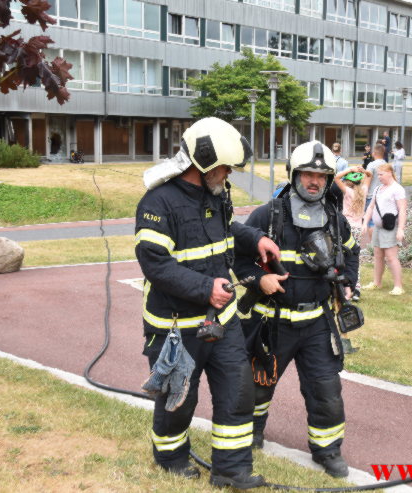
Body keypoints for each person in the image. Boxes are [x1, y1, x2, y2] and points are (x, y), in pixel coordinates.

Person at [135, 117, 280, 489]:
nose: (228, 173)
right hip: (175, 327)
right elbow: (155, 264)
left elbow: (226, 229)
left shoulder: (215, 194)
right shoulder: (158, 202)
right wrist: (204, 288)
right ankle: (170, 456)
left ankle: (231, 470)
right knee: (178, 399)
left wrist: (256, 240)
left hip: (224, 320)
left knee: (238, 391)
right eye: (225, 167)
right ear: (202, 164)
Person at [234, 141, 360, 478]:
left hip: (317, 322)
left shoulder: (335, 220)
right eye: (308, 173)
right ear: (294, 175)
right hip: (272, 323)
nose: (314, 181)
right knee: (258, 384)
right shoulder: (269, 215)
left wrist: (348, 279)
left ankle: (328, 450)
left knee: (326, 391)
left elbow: (352, 251)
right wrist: (259, 280)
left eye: (321, 175)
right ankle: (250, 434)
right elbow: (237, 256)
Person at [362, 163, 407, 295]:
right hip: (378, 227)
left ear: (389, 173)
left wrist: (401, 229)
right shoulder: (378, 189)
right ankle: (377, 282)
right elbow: (370, 207)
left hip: (389, 228)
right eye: (378, 175)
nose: (379, 177)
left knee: (391, 257)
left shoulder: (397, 189)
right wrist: (365, 222)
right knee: (378, 255)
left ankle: (398, 286)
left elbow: (403, 210)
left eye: (381, 174)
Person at [335, 164, 372, 297]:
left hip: (346, 227)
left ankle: (343, 286)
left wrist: (350, 169)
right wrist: (364, 171)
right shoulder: (364, 191)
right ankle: (356, 288)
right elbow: (370, 175)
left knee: (342, 256)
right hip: (358, 228)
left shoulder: (348, 192)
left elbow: (336, 177)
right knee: (355, 258)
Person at [363, 143, 388, 245]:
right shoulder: (387, 166)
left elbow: (366, 183)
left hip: (371, 197)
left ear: (374, 153)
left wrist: (362, 197)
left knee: (371, 222)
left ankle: (374, 245)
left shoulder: (371, 165)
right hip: (384, 196)